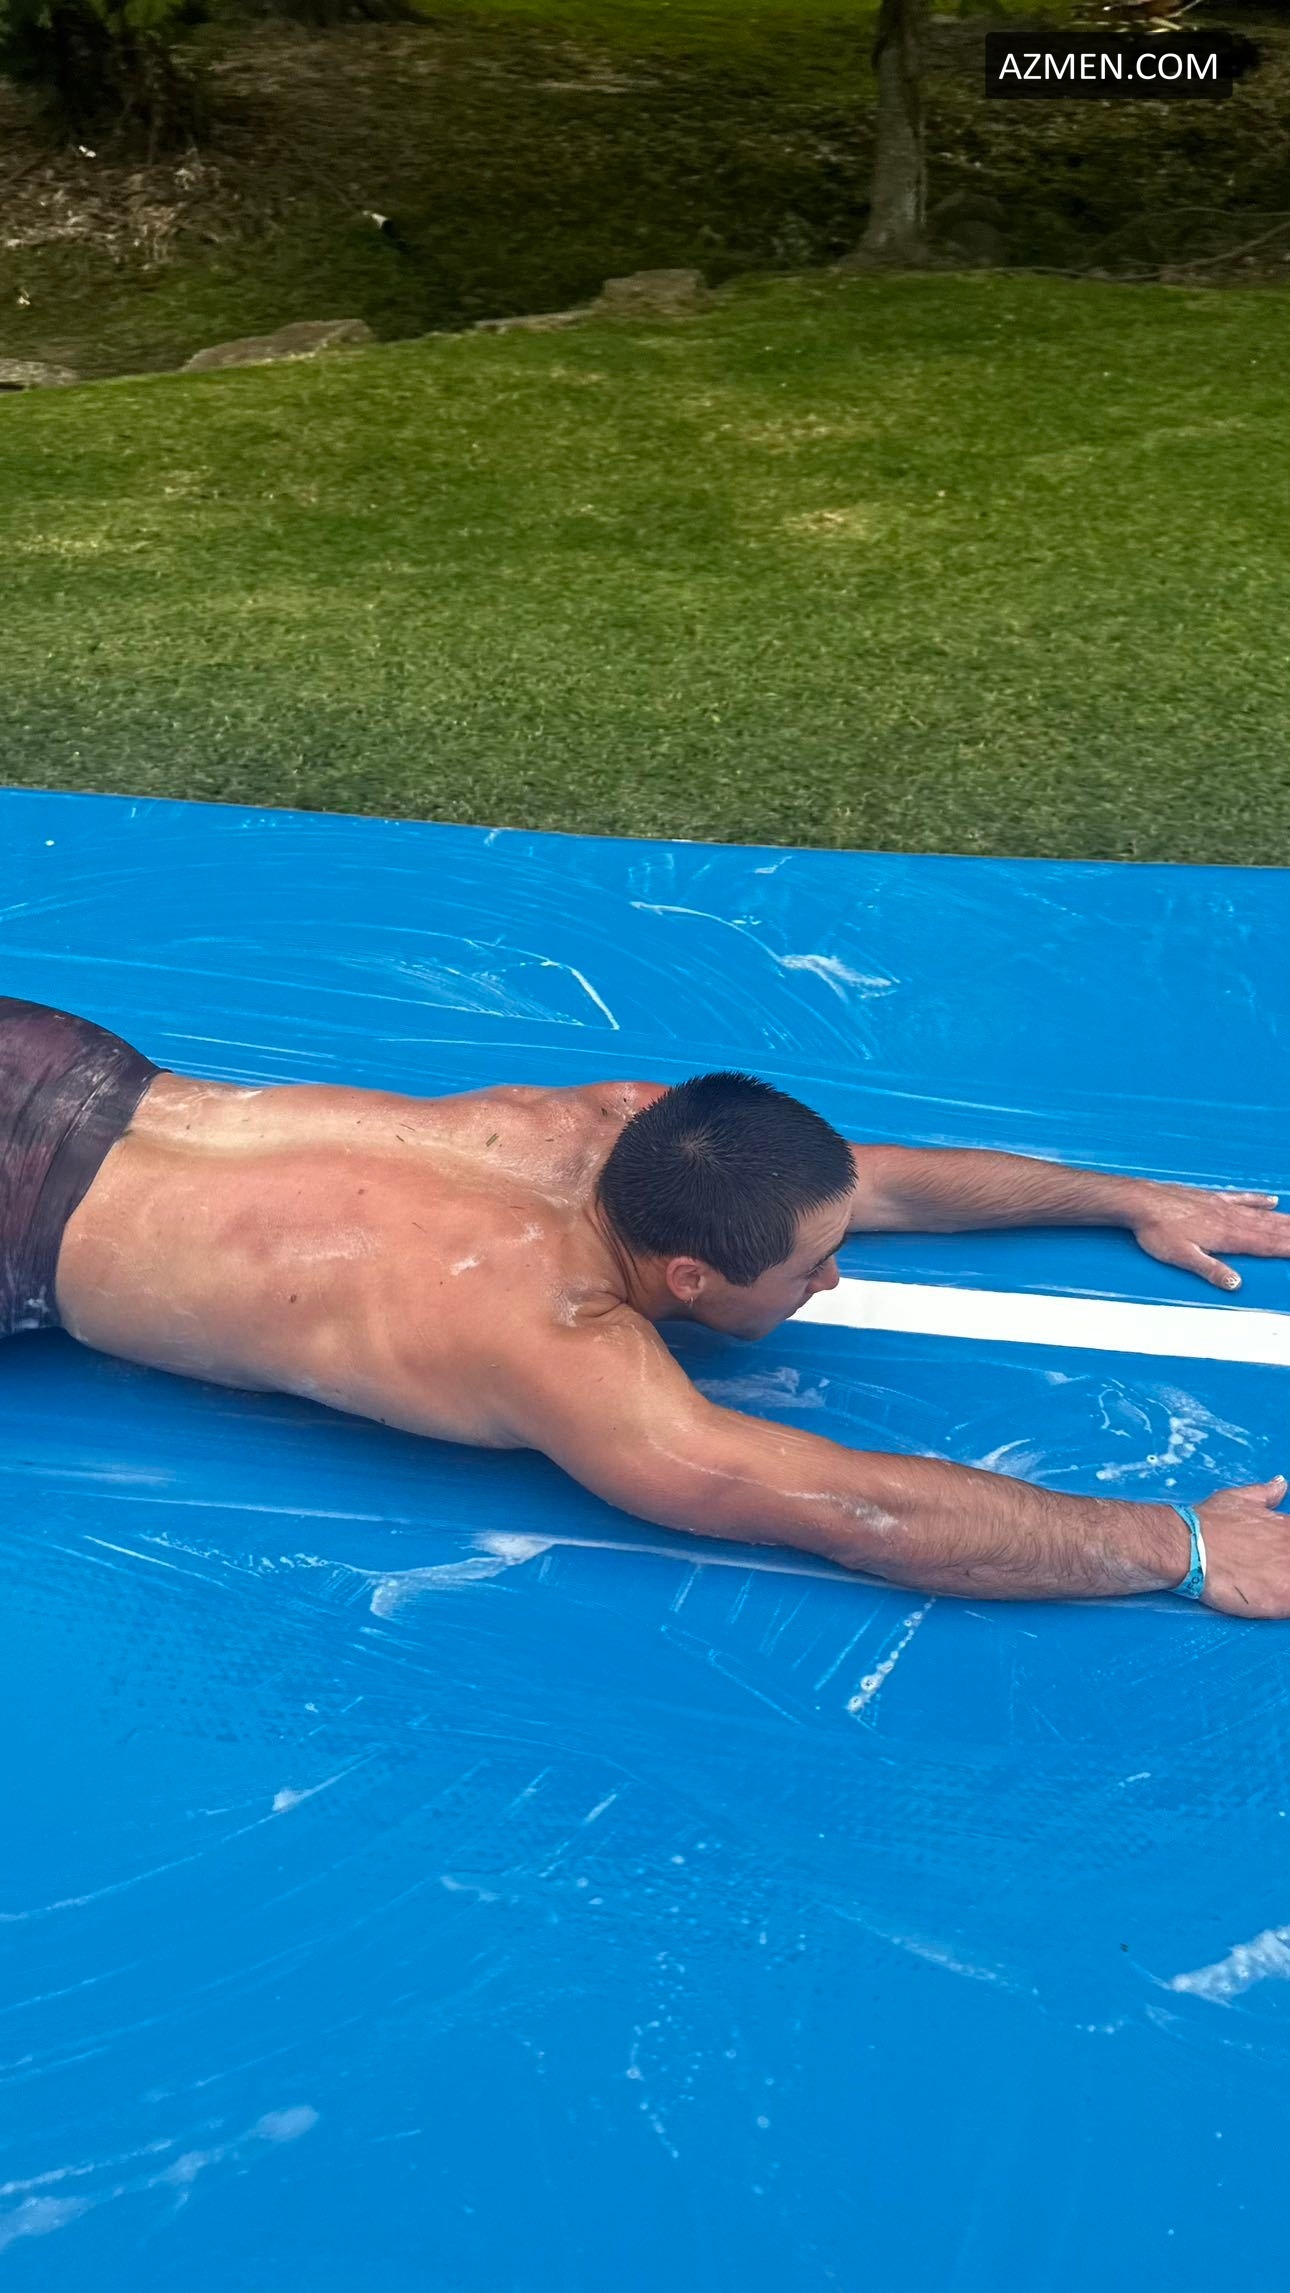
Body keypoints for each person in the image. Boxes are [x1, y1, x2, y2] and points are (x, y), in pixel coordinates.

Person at [4, 993, 1290, 1618]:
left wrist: (1127, 1195)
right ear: (689, 1278)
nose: (833, 1277)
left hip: (57, 1060)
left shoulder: (629, 1128)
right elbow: (860, 1509)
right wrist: (1175, 1543)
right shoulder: (552, 1338)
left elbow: (874, 1181)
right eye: (807, 1269)